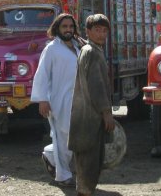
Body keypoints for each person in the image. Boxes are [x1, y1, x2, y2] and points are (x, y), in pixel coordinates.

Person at [30, 13, 80, 187]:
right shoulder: (51, 48)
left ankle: (50, 155)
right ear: (57, 28)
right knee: (64, 136)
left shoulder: (79, 46)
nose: (68, 29)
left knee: (75, 137)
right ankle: (63, 175)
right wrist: (42, 99)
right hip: (60, 100)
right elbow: (42, 74)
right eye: (64, 26)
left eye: (71, 26)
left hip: (79, 100)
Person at [68, 14, 115, 196]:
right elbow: (97, 87)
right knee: (89, 161)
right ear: (88, 31)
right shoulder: (92, 52)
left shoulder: (91, 50)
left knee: (87, 160)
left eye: (104, 30)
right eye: (97, 30)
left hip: (85, 114)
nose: (102, 34)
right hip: (90, 115)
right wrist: (106, 112)